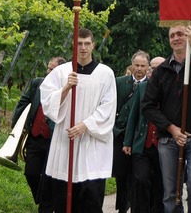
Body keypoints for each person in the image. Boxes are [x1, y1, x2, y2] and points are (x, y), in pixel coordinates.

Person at [141, 19, 191, 213]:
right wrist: (171, 128)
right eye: (172, 35)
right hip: (168, 139)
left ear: (188, 35)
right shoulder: (160, 71)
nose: (176, 38)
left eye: (180, 34)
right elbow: (148, 106)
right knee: (170, 192)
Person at [39, 28, 117, 213]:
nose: (83, 48)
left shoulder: (105, 73)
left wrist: (85, 125)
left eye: (87, 44)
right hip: (65, 143)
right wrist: (66, 88)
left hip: (91, 144)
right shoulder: (61, 72)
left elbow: (108, 107)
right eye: (79, 44)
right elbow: (47, 101)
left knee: (90, 198)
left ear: (93, 45)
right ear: (75, 45)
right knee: (63, 200)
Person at [11, 56, 66, 212]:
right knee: (31, 173)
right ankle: (43, 200)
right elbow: (24, 102)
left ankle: (46, 207)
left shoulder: (66, 88)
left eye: (52, 69)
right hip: (35, 138)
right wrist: (15, 127)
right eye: (48, 68)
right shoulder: (37, 84)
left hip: (53, 141)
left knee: (48, 178)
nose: (48, 72)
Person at [123, 56, 166, 213]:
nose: (154, 71)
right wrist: (128, 142)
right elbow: (133, 115)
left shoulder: (172, 88)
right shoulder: (142, 88)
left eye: (158, 68)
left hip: (164, 144)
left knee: (160, 184)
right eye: (152, 68)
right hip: (143, 144)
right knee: (141, 179)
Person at [113, 50, 151, 213]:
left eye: (143, 66)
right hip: (120, 135)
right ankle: (122, 207)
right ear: (131, 65)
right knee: (121, 175)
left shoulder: (151, 85)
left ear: (148, 67)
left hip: (140, 138)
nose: (139, 69)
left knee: (138, 177)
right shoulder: (119, 83)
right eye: (136, 65)